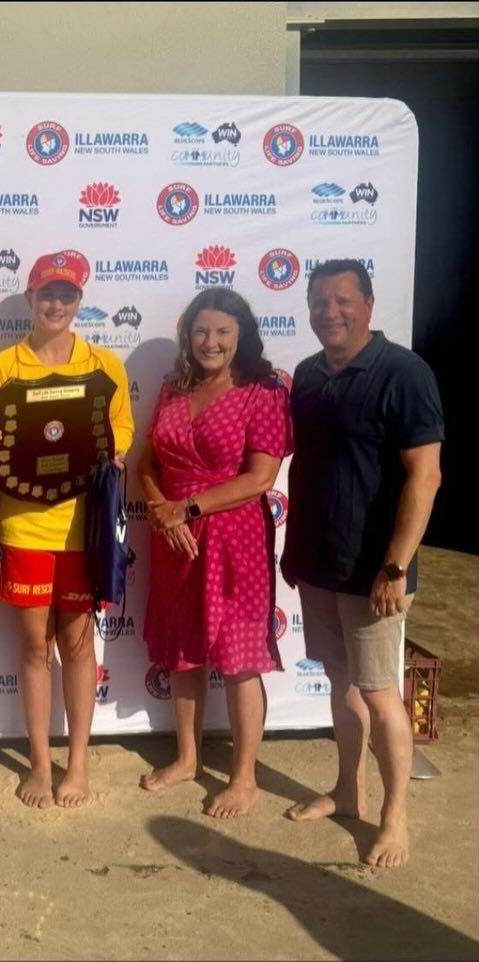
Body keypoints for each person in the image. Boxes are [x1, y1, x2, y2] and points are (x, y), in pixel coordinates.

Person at [281, 259, 443, 867]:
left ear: (369, 305)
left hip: (376, 572)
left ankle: (394, 817)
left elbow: (425, 477)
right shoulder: (307, 374)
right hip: (318, 563)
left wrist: (396, 566)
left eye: (343, 300)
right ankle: (348, 789)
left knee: (380, 694)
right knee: (340, 683)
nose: (330, 311)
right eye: (320, 301)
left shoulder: (404, 372)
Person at [0, 251, 133, 808]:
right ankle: (40, 765)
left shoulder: (104, 365)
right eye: (47, 294)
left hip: (84, 527)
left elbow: (121, 433)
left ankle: (79, 765)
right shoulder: (1, 368)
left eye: (67, 296)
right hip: (24, 526)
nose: (56, 304)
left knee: (77, 644)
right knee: (31, 646)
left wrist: (113, 450)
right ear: (30, 298)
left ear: (79, 302)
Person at [137, 287, 292, 818]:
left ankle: (244, 777)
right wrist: (162, 511)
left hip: (234, 539)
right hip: (174, 538)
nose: (211, 342)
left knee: (240, 657)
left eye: (223, 332)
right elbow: (146, 465)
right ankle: (186, 758)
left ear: (241, 336)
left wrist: (189, 509)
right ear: (188, 335)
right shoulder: (171, 387)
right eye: (201, 331)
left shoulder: (262, 390)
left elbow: (261, 476)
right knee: (183, 649)